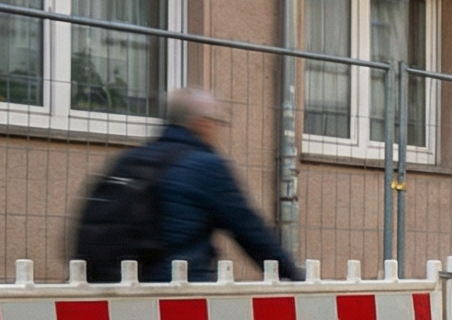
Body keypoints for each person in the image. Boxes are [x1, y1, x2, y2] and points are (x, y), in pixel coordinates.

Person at [77, 88, 301, 282]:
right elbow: (251, 232)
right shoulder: (205, 166)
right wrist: (296, 277)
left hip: (122, 288)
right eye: (217, 121)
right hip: (179, 292)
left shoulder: (130, 159)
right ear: (201, 123)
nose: (218, 129)